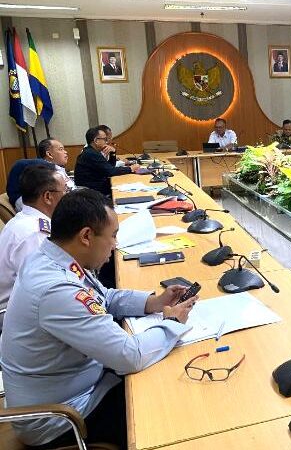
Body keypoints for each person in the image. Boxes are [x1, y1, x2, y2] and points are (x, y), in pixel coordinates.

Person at [0, 189, 197, 448]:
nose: (115, 244)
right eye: (113, 236)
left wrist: (153, 303)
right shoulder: (56, 289)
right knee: (167, 406)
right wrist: (171, 323)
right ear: (86, 236)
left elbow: (103, 297)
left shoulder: (51, 256)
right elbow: (129, 356)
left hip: (78, 384)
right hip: (61, 417)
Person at [0, 165, 67, 328]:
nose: (68, 196)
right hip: (13, 314)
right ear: (48, 197)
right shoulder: (34, 234)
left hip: (26, 304)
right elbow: (42, 289)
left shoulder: (25, 220)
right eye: (65, 191)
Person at [74, 127, 139, 197]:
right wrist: (130, 168)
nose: (107, 142)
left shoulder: (92, 151)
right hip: (92, 193)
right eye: (105, 139)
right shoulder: (91, 154)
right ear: (96, 140)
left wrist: (113, 153)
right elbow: (111, 171)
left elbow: (110, 167)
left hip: (97, 188)